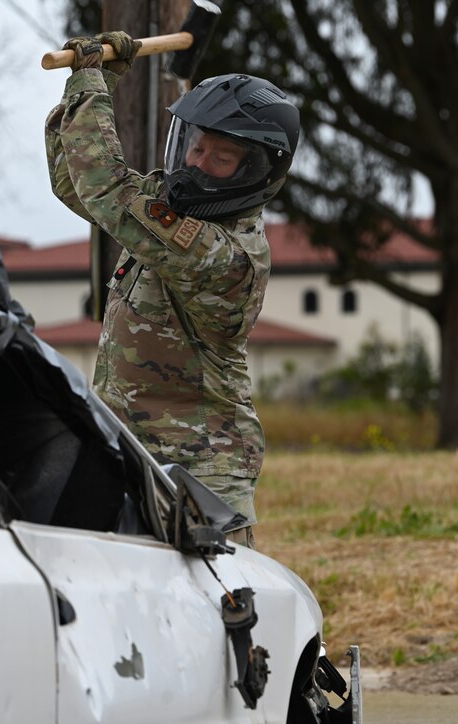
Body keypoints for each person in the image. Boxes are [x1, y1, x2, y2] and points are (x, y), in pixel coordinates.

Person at [45, 32, 301, 547]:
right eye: (195, 145)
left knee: (215, 618)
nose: (197, 164)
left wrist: (92, 82)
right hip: (132, 456)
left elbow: (107, 188)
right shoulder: (176, 208)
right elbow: (74, 183)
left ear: (256, 171)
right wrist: (94, 85)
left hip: (199, 475)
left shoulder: (220, 253)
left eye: (220, 158)